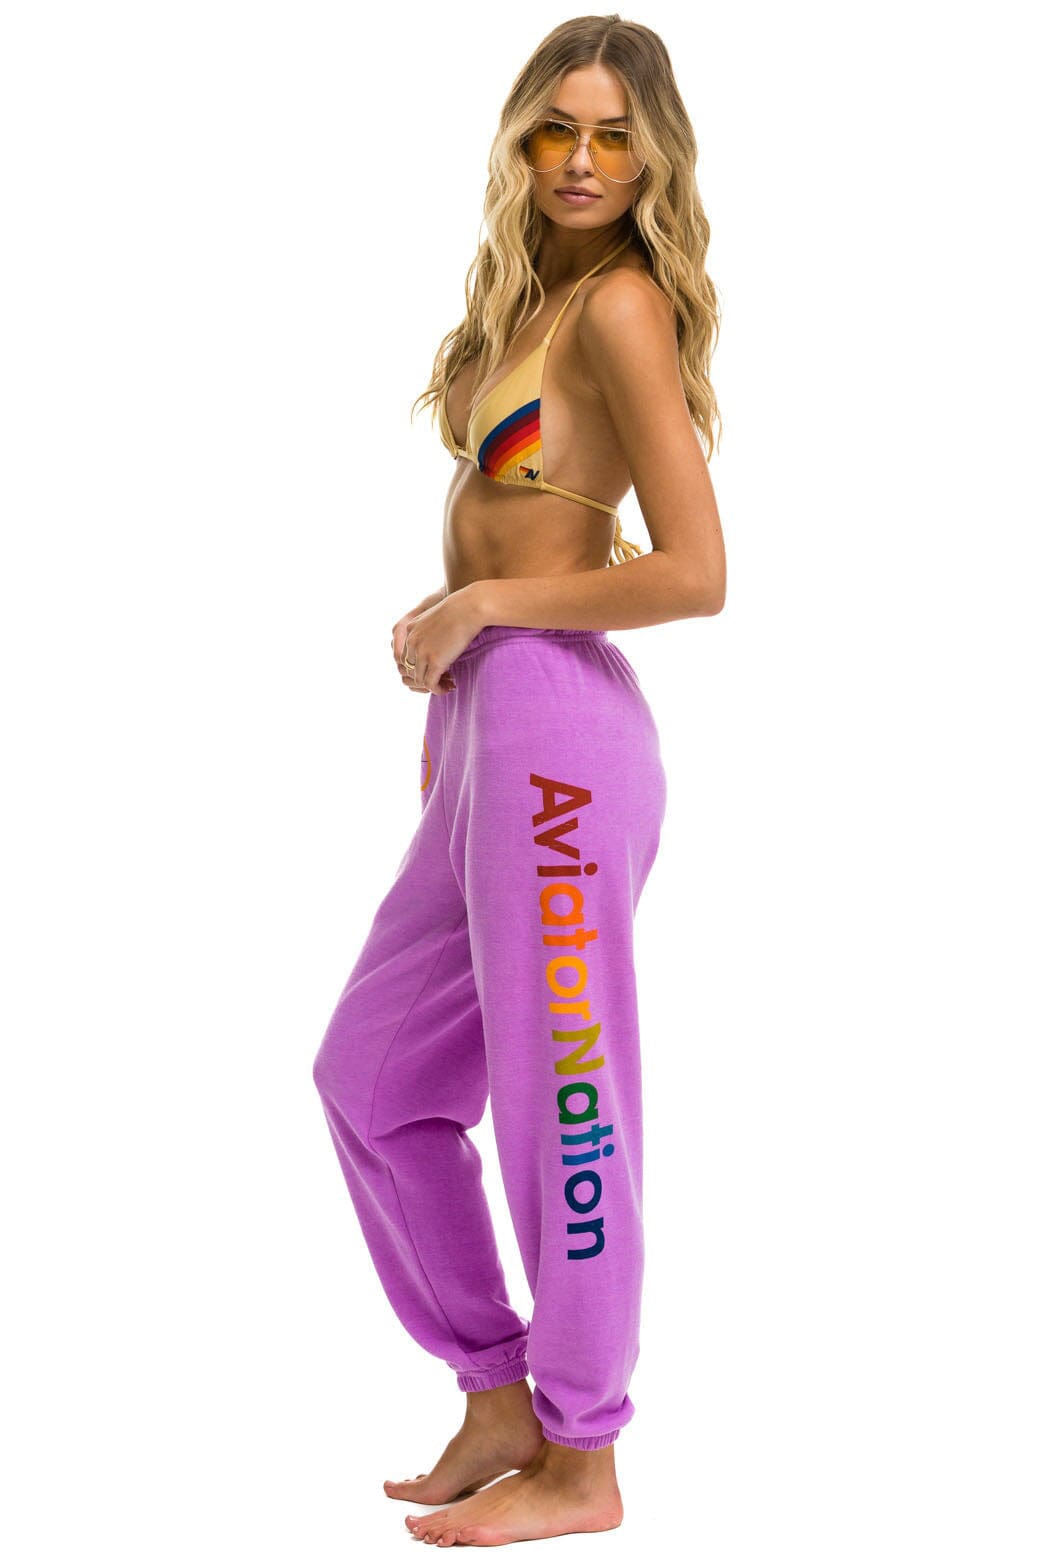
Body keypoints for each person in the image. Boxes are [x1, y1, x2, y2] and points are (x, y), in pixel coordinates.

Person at [312, 14, 725, 1546]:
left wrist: (483, 607)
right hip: (492, 730)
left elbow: (697, 572)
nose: (583, 160)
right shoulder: (531, 300)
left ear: (653, 156)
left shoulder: (621, 305)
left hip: (559, 729)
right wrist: (459, 679)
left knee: (563, 1094)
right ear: (518, 138)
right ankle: (496, 1394)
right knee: (372, 1077)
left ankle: (584, 1451)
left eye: (615, 135)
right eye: (558, 128)